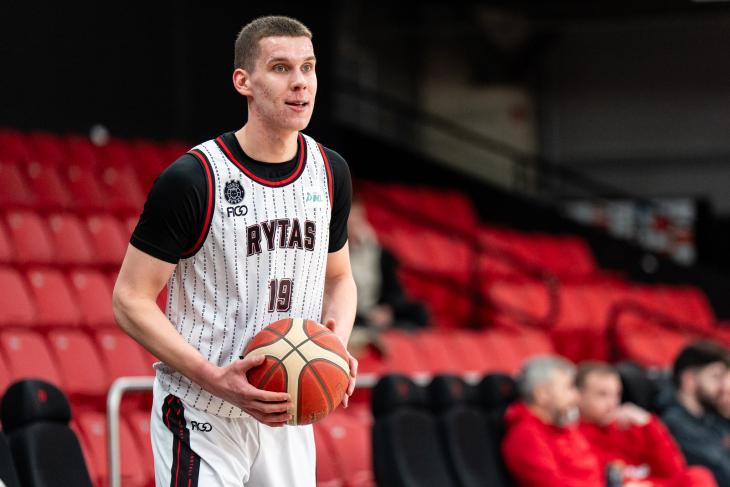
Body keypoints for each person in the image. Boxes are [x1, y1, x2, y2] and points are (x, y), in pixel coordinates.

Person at [112, 16, 357, 486]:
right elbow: (129, 299)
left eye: (308, 67)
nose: (301, 82)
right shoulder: (192, 179)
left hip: (286, 409)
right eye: (281, 68)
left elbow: (340, 278)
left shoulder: (330, 171)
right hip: (203, 411)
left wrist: (335, 346)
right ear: (243, 81)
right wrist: (212, 377)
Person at [577, 361, 717, 487]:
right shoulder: (575, 435)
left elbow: (674, 470)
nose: (612, 403)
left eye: (616, 394)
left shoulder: (631, 425)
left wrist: (649, 423)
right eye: (602, 394)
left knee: (698, 475)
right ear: (579, 396)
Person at [501, 356, 607, 487]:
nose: (575, 397)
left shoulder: (563, 427)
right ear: (541, 394)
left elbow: (599, 470)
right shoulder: (525, 436)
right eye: (567, 388)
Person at [348, 195, 428, 329]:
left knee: (418, 313)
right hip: (353, 315)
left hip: (376, 311)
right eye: (350, 219)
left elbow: (393, 288)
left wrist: (388, 309)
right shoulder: (329, 253)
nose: (355, 224)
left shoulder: (377, 251)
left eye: (358, 218)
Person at [661, 343, 730, 487]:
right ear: (689, 379)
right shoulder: (674, 423)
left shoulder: (713, 416)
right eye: (715, 377)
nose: (722, 386)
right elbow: (722, 471)